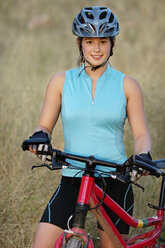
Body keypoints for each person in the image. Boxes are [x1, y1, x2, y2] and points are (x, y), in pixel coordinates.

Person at [26, 6, 152, 248]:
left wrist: (143, 155)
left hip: (115, 179)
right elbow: (44, 125)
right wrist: (39, 137)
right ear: (79, 44)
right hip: (73, 177)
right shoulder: (60, 81)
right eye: (90, 41)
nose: (96, 48)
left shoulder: (128, 85)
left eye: (103, 41)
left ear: (112, 44)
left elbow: (141, 133)